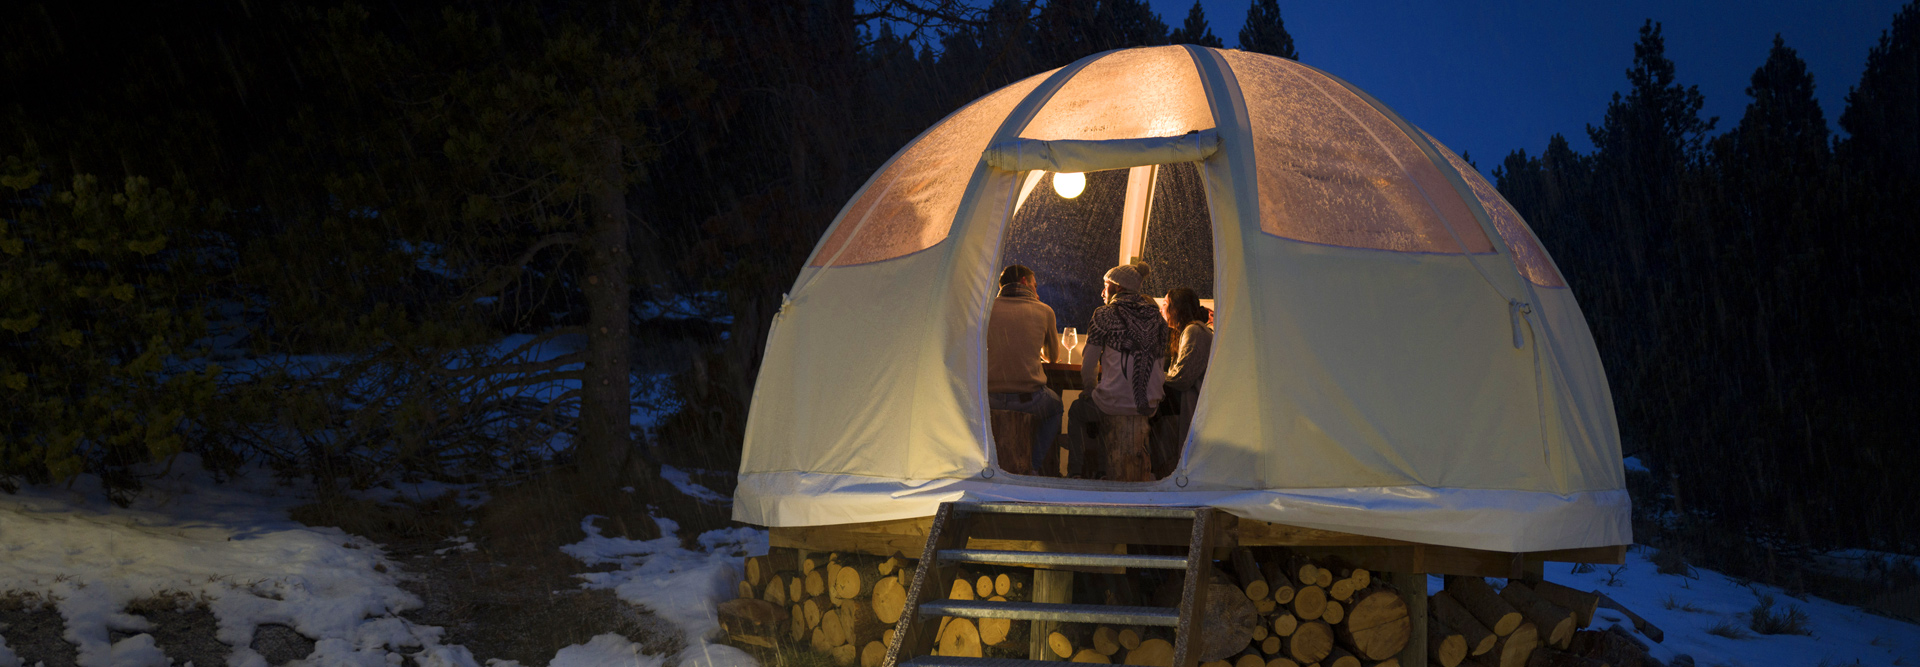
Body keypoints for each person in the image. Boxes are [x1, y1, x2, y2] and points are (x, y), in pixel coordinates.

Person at [1069, 261, 1168, 481]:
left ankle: (1076, 473)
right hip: (1149, 405)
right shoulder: (1159, 319)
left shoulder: (1104, 314)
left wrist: (1088, 389)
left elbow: (1089, 364)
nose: (1102, 292)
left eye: (1106, 286)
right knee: (1107, 405)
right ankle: (1121, 472)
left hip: (1112, 404)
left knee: (1079, 409)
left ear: (1119, 288)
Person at [986, 265, 1064, 475]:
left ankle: (986, 462)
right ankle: (1033, 466)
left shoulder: (984, 309)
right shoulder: (1044, 310)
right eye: (1035, 285)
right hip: (1029, 400)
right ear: (1024, 282)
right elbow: (1053, 357)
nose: (1037, 292)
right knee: (1056, 407)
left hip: (988, 399)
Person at [1153, 287, 1212, 477]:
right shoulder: (1189, 331)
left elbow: (1182, 378)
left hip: (1194, 404)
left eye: (1165, 304)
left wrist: (1155, 377)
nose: (1162, 309)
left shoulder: (1194, 331)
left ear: (1176, 309)